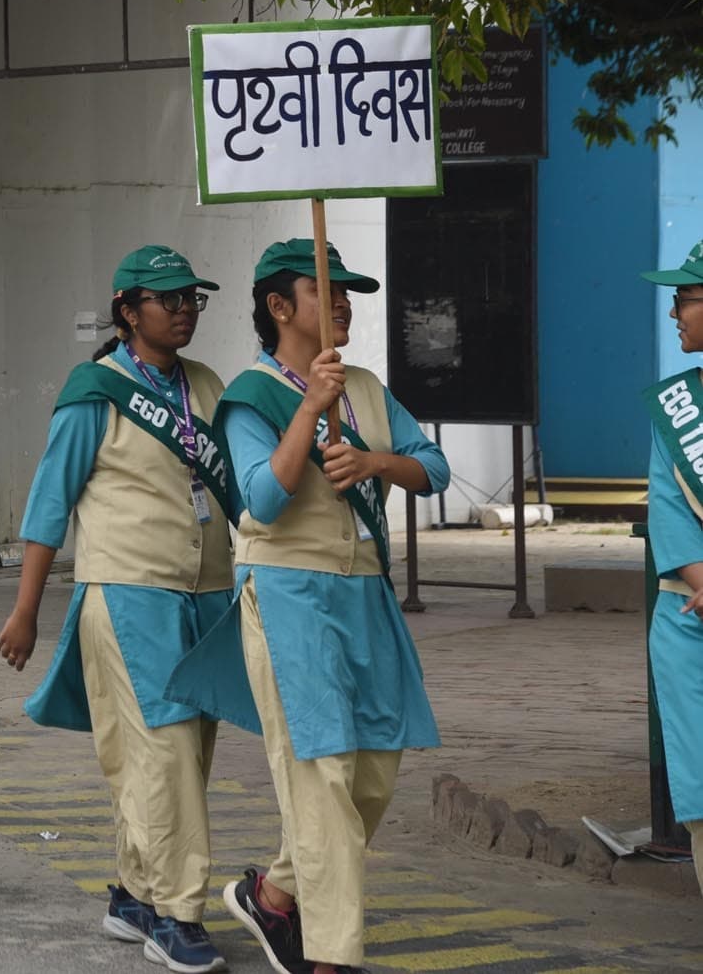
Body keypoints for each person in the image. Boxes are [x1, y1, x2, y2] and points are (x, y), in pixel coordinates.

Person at [168, 240, 449, 974]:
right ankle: (331, 956)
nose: (343, 302)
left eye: (347, 291)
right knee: (320, 773)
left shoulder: (366, 387)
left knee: (374, 768)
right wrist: (310, 409)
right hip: (289, 591)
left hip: (365, 591)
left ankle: (274, 892)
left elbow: (434, 468)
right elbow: (261, 498)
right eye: (326, 290)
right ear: (279, 307)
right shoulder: (250, 396)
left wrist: (376, 461)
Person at [0, 248, 240, 965]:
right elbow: (49, 505)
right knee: (164, 751)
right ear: (127, 312)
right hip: (130, 592)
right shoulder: (94, 391)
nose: (185, 310)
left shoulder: (206, 384)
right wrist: (25, 611)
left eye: (192, 298)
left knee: (182, 753)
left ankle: (135, 892)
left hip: (206, 592)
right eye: (169, 299)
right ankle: (177, 912)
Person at [641, 238, 703, 895]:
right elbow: (667, 508)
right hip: (689, 616)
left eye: (683, 298)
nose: (673, 313)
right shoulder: (676, 408)